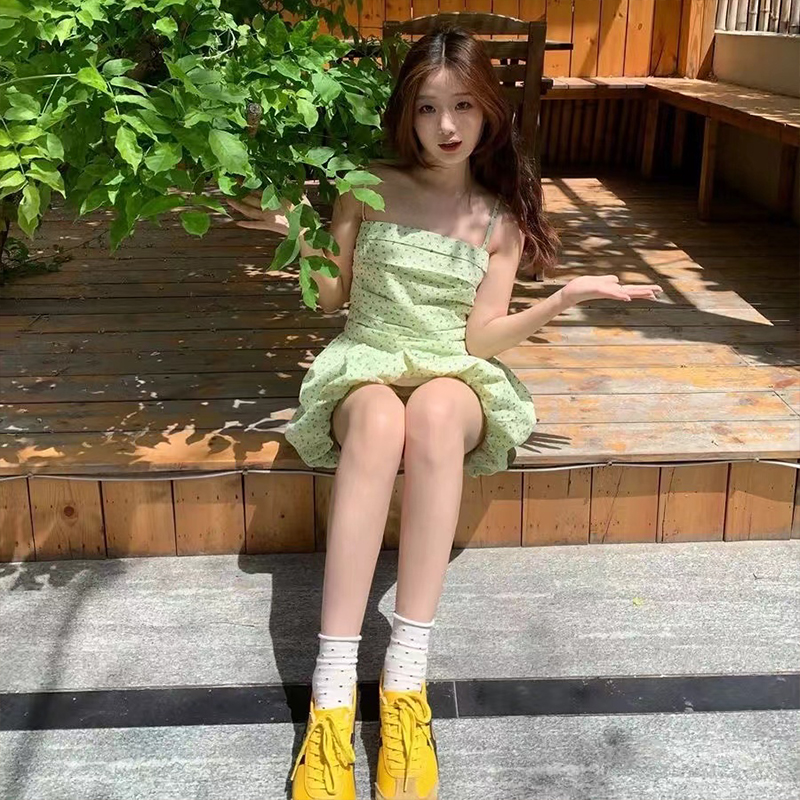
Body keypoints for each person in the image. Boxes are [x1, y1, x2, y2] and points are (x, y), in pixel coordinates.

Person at [227, 24, 662, 800]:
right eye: (428, 109)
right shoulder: (367, 183)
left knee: (430, 412)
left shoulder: (497, 219)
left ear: (489, 108)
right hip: (367, 359)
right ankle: (332, 695)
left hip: (452, 373)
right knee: (380, 420)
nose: (447, 125)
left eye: (463, 105)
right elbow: (331, 297)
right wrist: (298, 230)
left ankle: (405, 685)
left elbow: (481, 337)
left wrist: (561, 298)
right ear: (408, 115)